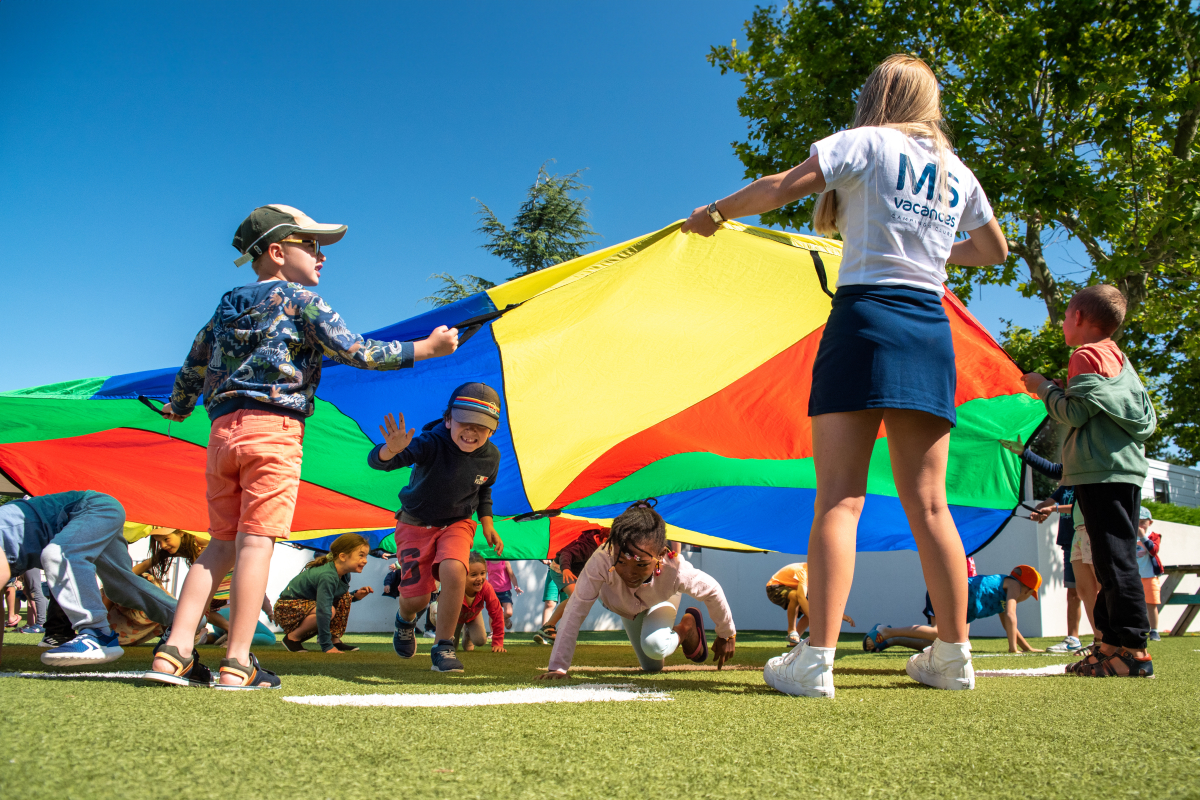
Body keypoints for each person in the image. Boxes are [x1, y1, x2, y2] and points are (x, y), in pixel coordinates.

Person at [683, 55, 1007, 697]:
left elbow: (780, 187)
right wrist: (936, 252)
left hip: (865, 320)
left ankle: (816, 662)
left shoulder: (865, 142)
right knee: (932, 504)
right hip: (928, 329)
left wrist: (715, 213)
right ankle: (954, 656)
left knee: (840, 498)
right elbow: (994, 250)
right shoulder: (957, 172)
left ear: (878, 97)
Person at [147, 205, 458, 690]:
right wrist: (427, 349)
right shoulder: (300, 301)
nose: (322, 257)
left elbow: (193, 363)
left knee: (220, 545)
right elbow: (359, 352)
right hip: (273, 433)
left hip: (222, 434)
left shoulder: (226, 306)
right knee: (255, 545)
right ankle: (237, 661)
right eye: (311, 245)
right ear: (276, 251)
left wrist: (179, 407)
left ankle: (175, 651)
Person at [1022, 284, 1157, 678]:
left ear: (1079, 318)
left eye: (1065, 316)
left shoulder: (1084, 354)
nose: (1063, 323)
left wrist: (1044, 388)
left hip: (1101, 472)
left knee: (1114, 561)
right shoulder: (1119, 359)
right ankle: (1109, 644)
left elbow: (1075, 413)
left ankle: (1133, 652)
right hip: (1124, 470)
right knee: (1108, 558)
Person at [368, 382, 504, 674]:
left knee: (455, 569)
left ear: (492, 430)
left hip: (458, 522)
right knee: (416, 599)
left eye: (480, 427)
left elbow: (484, 491)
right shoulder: (430, 442)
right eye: (463, 423)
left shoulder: (491, 457)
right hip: (415, 523)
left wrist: (488, 524)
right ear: (448, 420)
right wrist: (389, 451)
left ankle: (443, 647)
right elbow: (383, 463)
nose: (470, 432)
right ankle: (405, 620)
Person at [538, 501, 735, 678]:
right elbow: (575, 609)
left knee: (656, 646)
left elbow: (712, 590)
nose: (629, 573)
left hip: (661, 600)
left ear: (660, 555)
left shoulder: (675, 569)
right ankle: (680, 631)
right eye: (621, 562)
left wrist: (726, 634)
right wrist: (558, 667)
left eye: (640, 565)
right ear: (613, 549)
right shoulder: (601, 559)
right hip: (628, 609)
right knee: (652, 667)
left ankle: (686, 627)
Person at [0, 491, 178, 667]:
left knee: (59, 555)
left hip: (93, 508)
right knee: (121, 585)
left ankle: (97, 633)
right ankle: (183, 619)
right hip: (95, 512)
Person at [1005, 440, 1088, 654]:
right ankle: (1073, 638)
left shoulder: (1088, 481)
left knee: (1092, 590)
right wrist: (1040, 510)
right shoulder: (1065, 484)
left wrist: (1054, 509)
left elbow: (1081, 506)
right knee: (1073, 592)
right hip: (1069, 542)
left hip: (1088, 540)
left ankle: (1102, 637)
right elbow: (1047, 503)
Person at [865, 566, 1043, 654]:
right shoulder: (1014, 586)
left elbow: (1009, 625)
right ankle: (886, 631)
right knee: (938, 632)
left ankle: (890, 640)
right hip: (953, 591)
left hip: (947, 591)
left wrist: (1026, 648)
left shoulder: (1002, 596)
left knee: (940, 644)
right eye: (1029, 594)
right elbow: (1012, 616)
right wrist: (1013, 649)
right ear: (1027, 590)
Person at [275, 533, 374, 653]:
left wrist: (354, 596)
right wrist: (326, 646)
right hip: (287, 609)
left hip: (306, 606)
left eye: (366, 556)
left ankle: (334, 640)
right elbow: (323, 609)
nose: (365, 561)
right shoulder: (327, 575)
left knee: (344, 599)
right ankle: (292, 638)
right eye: (361, 556)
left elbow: (333, 597)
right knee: (328, 610)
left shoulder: (344, 574)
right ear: (343, 556)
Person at [533, 525, 610, 644]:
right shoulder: (586, 547)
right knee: (576, 597)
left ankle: (554, 630)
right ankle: (548, 627)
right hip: (560, 569)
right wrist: (566, 569)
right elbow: (566, 553)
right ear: (604, 540)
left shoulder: (599, 544)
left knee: (577, 599)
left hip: (572, 571)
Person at [765, 562, 855, 645]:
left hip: (793, 589)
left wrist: (841, 616)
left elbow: (823, 602)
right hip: (774, 588)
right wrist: (814, 618)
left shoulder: (818, 578)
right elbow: (801, 597)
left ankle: (794, 641)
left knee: (814, 610)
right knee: (797, 597)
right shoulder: (804, 571)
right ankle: (791, 631)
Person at [455, 552, 506, 653]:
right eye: (473, 575)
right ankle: (457, 634)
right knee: (451, 647)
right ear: (462, 575)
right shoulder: (456, 587)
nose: (479, 579)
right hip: (454, 618)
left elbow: (497, 613)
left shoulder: (486, 588)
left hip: (473, 615)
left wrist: (498, 642)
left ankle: (468, 632)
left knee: (481, 641)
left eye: (482, 573)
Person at [1136, 506, 1163, 641]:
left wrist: (1143, 536)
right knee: (1133, 604)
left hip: (1149, 576)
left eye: (1143, 521)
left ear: (1150, 522)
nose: (1140, 524)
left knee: (1151, 603)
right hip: (1133, 577)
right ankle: (1137, 629)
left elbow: (1153, 550)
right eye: (1137, 521)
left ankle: (1154, 630)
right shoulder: (1128, 536)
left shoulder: (1154, 536)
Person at [486, 559, 521, 630]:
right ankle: (492, 632)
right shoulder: (487, 562)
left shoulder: (504, 561)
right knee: (493, 613)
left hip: (505, 591)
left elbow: (512, 575)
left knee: (509, 612)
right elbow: (483, 575)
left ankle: (505, 619)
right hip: (492, 592)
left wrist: (516, 587)